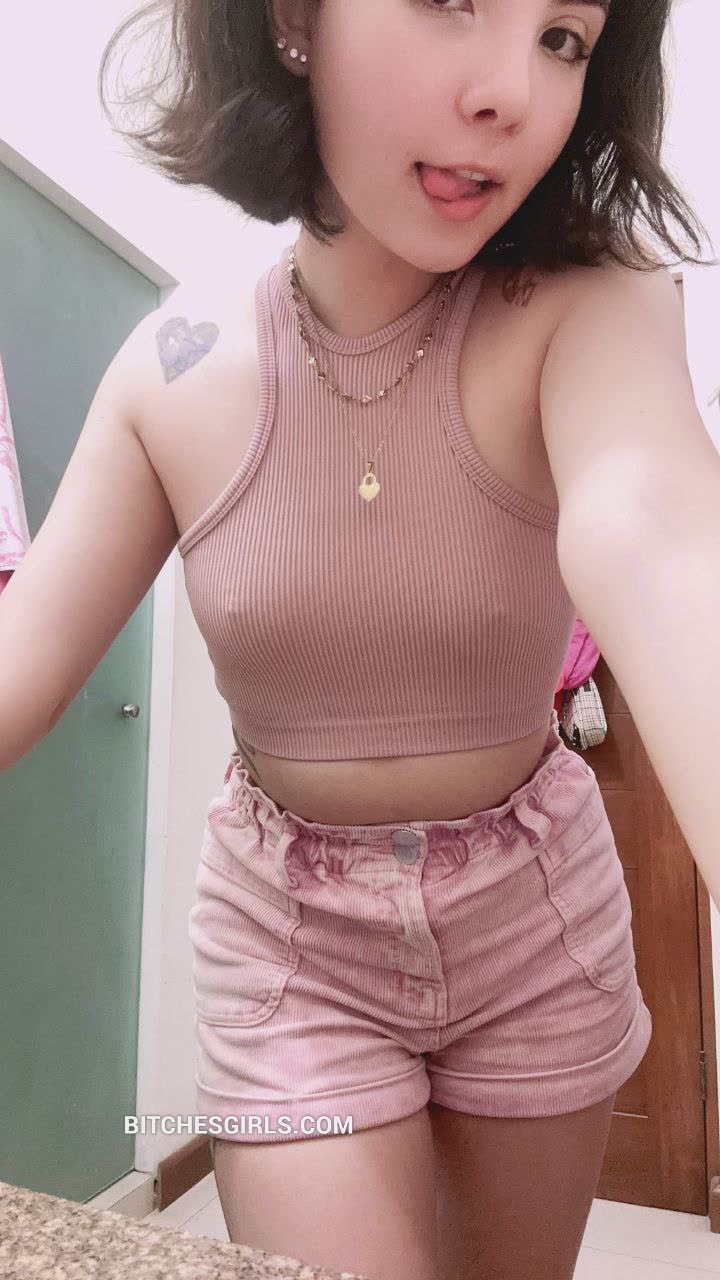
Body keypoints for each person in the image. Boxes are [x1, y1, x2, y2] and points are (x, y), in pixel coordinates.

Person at [2, 1, 717, 1278]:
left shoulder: (596, 305)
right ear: (293, 19)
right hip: (289, 943)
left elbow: (655, 526)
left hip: (534, 915)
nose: (513, 92)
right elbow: (20, 671)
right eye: (452, 0)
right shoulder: (172, 366)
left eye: (564, 37)